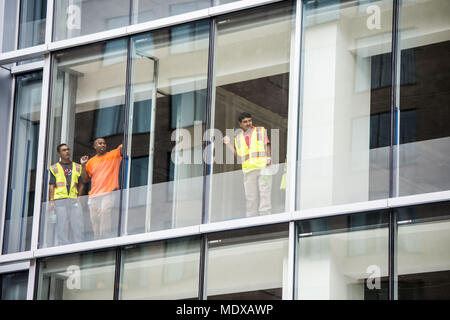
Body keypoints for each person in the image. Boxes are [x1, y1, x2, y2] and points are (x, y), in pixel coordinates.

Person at [223, 112, 272, 216]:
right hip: (249, 170)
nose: (248, 123)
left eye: (249, 120)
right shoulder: (238, 138)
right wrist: (228, 144)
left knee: (264, 191)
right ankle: (251, 216)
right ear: (240, 124)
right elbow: (239, 154)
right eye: (245, 122)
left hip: (263, 167)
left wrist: (269, 158)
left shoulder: (260, 131)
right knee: (250, 196)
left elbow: (267, 144)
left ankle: (265, 213)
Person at [48, 143, 88, 245]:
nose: (67, 152)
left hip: (73, 199)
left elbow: (82, 182)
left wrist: (79, 196)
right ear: (59, 153)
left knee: (77, 223)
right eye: (64, 150)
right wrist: (51, 201)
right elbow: (51, 185)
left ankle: (78, 245)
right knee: (61, 224)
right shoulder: (54, 167)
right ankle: (63, 245)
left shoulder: (77, 167)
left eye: (68, 149)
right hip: (60, 200)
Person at [83, 138, 122, 239]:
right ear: (95, 146)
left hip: (108, 192)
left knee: (105, 212)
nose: (103, 145)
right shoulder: (91, 162)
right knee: (95, 220)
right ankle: (97, 240)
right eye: (100, 143)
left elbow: (124, 146)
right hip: (94, 195)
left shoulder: (113, 155)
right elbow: (85, 179)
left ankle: (104, 239)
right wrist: (83, 165)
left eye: (104, 143)